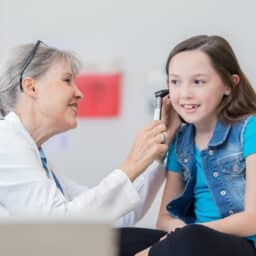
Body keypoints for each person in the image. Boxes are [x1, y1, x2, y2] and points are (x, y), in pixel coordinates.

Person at [0, 40, 180, 225]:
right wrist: (132, 163)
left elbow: (116, 217)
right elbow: (56, 226)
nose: (79, 93)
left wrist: (157, 154)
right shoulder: (6, 141)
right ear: (31, 87)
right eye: (67, 80)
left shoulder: (33, 155)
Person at [120, 35, 256, 256]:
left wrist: (186, 233)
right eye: (175, 82)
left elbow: (253, 220)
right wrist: (178, 234)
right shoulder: (182, 139)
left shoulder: (250, 129)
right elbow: (163, 219)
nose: (184, 94)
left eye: (198, 82)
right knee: (119, 238)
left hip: (241, 244)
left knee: (191, 238)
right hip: (191, 240)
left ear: (229, 85)